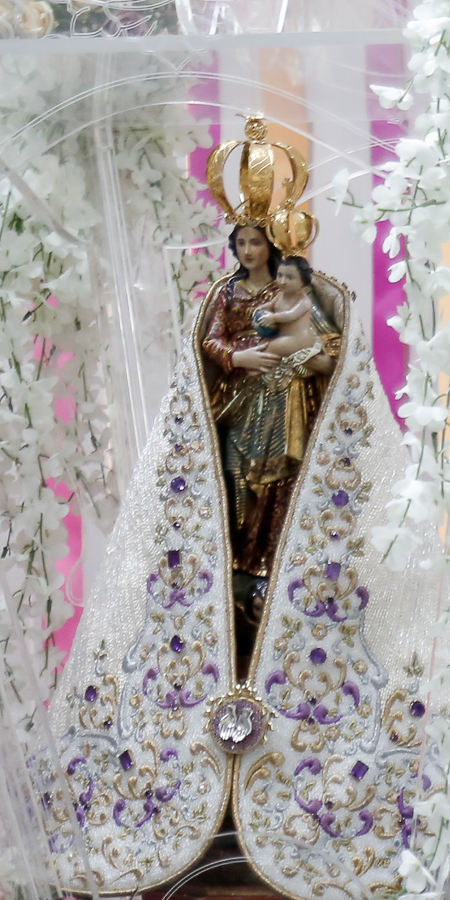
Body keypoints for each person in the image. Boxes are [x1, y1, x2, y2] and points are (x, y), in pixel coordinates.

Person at [198, 225, 340, 667]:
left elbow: (325, 341)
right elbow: (210, 340)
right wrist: (238, 357)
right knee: (236, 478)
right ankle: (240, 563)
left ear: (271, 247)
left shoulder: (290, 288)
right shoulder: (228, 293)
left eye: (256, 242)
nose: (248, 251)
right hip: (239, 400)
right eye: (241, 243)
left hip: (283, 402)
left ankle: (271, 562)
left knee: (281, 481)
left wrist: (305, 358)